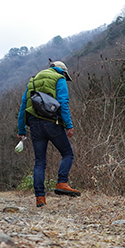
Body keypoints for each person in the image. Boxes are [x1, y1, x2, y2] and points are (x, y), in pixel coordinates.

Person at [17, 60, 81, 207]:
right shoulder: (59, 78)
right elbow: (63, 102)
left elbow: (23, 106)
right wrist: (69, 125)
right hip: (51, 123)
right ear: (62, 71)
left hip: (34, 124)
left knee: (39, 162)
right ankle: (62, 182)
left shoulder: (32, 80)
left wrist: (21, 130)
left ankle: (40, 198)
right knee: (67, 153)